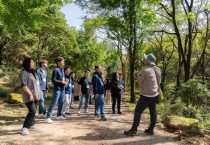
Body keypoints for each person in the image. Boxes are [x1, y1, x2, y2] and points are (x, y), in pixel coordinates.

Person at [124, 53, 161, 136]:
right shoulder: (158, 69)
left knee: (138, 111)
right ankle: (151, 129)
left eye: (145, 59)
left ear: (148, 61)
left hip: (146, 95)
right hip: (155, 94)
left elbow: (139, 81)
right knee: (153, 111)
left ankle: (133, 130)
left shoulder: (145, 70)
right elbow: (159, 81)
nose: (144, 60)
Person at [19, 58, 41, 135]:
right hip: (29, 96)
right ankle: (24, 128)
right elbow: (23, 85)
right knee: (32, 111)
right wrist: (30, 94)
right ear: (27, 63)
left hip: (36, 95)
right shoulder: (23, 73)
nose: (33, 63)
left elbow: (37, 84)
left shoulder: (33, 72)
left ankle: (31, 124)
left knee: (34, 111)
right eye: (32, 62)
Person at [45, 57, 68, 124]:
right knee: (54, 102)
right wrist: (61, 82)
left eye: (63, 61)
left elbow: (62, 79)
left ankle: (59, 115)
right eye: (62, 61)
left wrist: (65, 81)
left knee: (61, 102)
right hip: (57, 89)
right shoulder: (56, 70)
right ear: (58, 62)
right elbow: (53, 80)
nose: (63, 62)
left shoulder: (62, 70)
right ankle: (48, 117)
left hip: (62, 89)